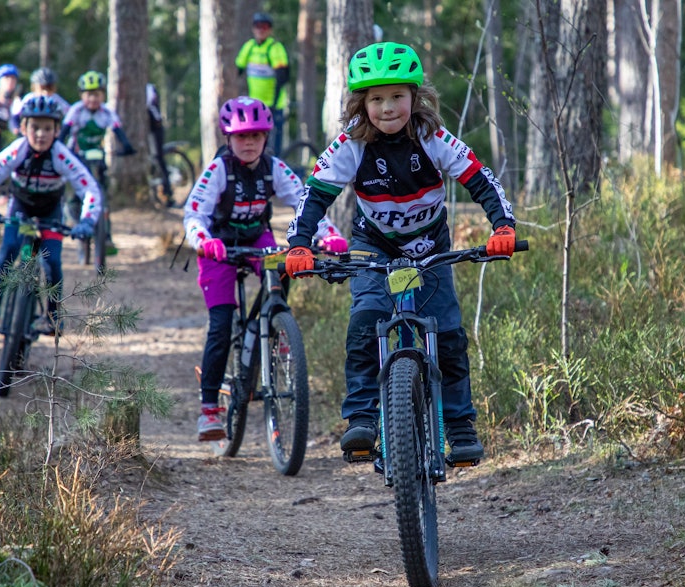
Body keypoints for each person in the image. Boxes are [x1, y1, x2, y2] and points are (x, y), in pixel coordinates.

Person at [283, 42, 517, 464]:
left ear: (415, 96)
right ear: (361, 103)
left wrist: (503, 226)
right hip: (373, 246)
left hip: (430, 246)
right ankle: (361, 418)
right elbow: (314, 195)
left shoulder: (432, 138)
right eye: (376, 99)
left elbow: (481, 179)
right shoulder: (351, 144)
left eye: (396, 96)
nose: (387, 108)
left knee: (448, 336)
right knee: (365, 322)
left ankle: (459, 427)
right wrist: (299, 243)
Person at [183, 96, 347, 441]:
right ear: (228, 138)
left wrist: (328, 235)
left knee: (284, 266)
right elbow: (194, 213)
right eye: (242, 136)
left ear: (266, 137)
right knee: (221, 324)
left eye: (256, 136)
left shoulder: (274, 167)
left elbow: (305, 203)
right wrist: (203, 240)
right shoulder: (218, 170)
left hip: (258, 239)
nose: (249, 143)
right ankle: (209, 410)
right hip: (218, 246)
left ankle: (275, 325)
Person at [0, 95, 102, 336]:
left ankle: (53, 316)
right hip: (21, 209)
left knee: (51, 262)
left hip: (51, 212)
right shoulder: (17, 150)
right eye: (35, 127)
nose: (41, 134)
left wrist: (87, 220)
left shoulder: (61, 155)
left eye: (47, 128)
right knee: (8, 251)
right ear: (23, 128)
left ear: (57, 130)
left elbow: (90, 189)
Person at [60, 70, 136, 255]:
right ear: (82, 95)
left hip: (97, 156)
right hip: (77, 156)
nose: (93, 99)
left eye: (97, 94)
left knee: (103, 193)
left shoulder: (107, 112)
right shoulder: (76, 110)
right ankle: (76, 218)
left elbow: (118, 131)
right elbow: (64, 132)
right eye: (89, 94)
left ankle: (106, 235)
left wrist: (127, 146)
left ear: (103, 95)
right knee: (75, 193)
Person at [235, 12, 290, 155]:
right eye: (258, 26)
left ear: (270, 29)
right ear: (253, 28)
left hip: (274, 105)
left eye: (265, 27)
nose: (261, 30)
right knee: (255, 144)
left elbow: (282, 78)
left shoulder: (275, 48)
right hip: (254, 105)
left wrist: (274, 104)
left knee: (273, 147)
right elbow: (237, 70)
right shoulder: (249, 47)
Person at [12, 67, 71, 133]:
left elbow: (70, 113)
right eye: (42, 88)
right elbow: (16, 114)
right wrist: (16, 128)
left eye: (49, 88)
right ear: (34, 87)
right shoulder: (29, 98)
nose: (45, 92)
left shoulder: (56, 98)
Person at [147, 82, 175, 207]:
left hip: (155, 129)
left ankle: (168, 193)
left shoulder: (148, 88)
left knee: (158, 158)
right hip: (148, 130)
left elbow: (148, 105)